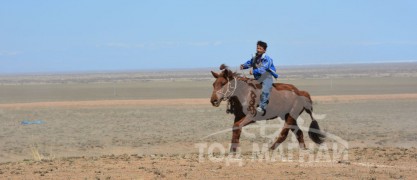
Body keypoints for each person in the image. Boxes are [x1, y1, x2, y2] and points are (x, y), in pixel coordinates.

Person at [240, 41, 279, 115]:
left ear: (264, 50)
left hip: (266, 77)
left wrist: (254, 72)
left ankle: (262, 107)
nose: (258, 50)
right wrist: (243, 66)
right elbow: (250, 63)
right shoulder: (255, 57)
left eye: (260, 48)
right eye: (257, 48)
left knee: (265, 89)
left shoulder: (268, 59)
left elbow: (263, 69)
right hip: (258, 78)